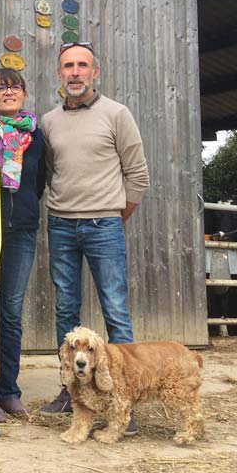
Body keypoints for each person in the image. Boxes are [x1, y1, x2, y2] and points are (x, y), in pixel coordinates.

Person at [39, 42, 149, 434]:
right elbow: (48, 173)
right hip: (62, 224)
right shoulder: (48, 121)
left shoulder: (116, 114)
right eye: (68, 66)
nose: (74, 72)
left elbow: (137, 175)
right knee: (66, 312)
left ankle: (124, 402)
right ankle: (71, 392)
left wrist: (115, 217)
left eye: (82, 65)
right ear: (58, 74)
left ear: (94, 72)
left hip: (104, 225)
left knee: (116, 312)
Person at [0, 68, 45, 423]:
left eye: (15, 86)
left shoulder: (37, 136)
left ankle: (9, 391)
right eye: (1, 88)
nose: (9, 91)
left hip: (23, 228)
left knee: (11, 312)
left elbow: (40, 181)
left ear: (24, 93)